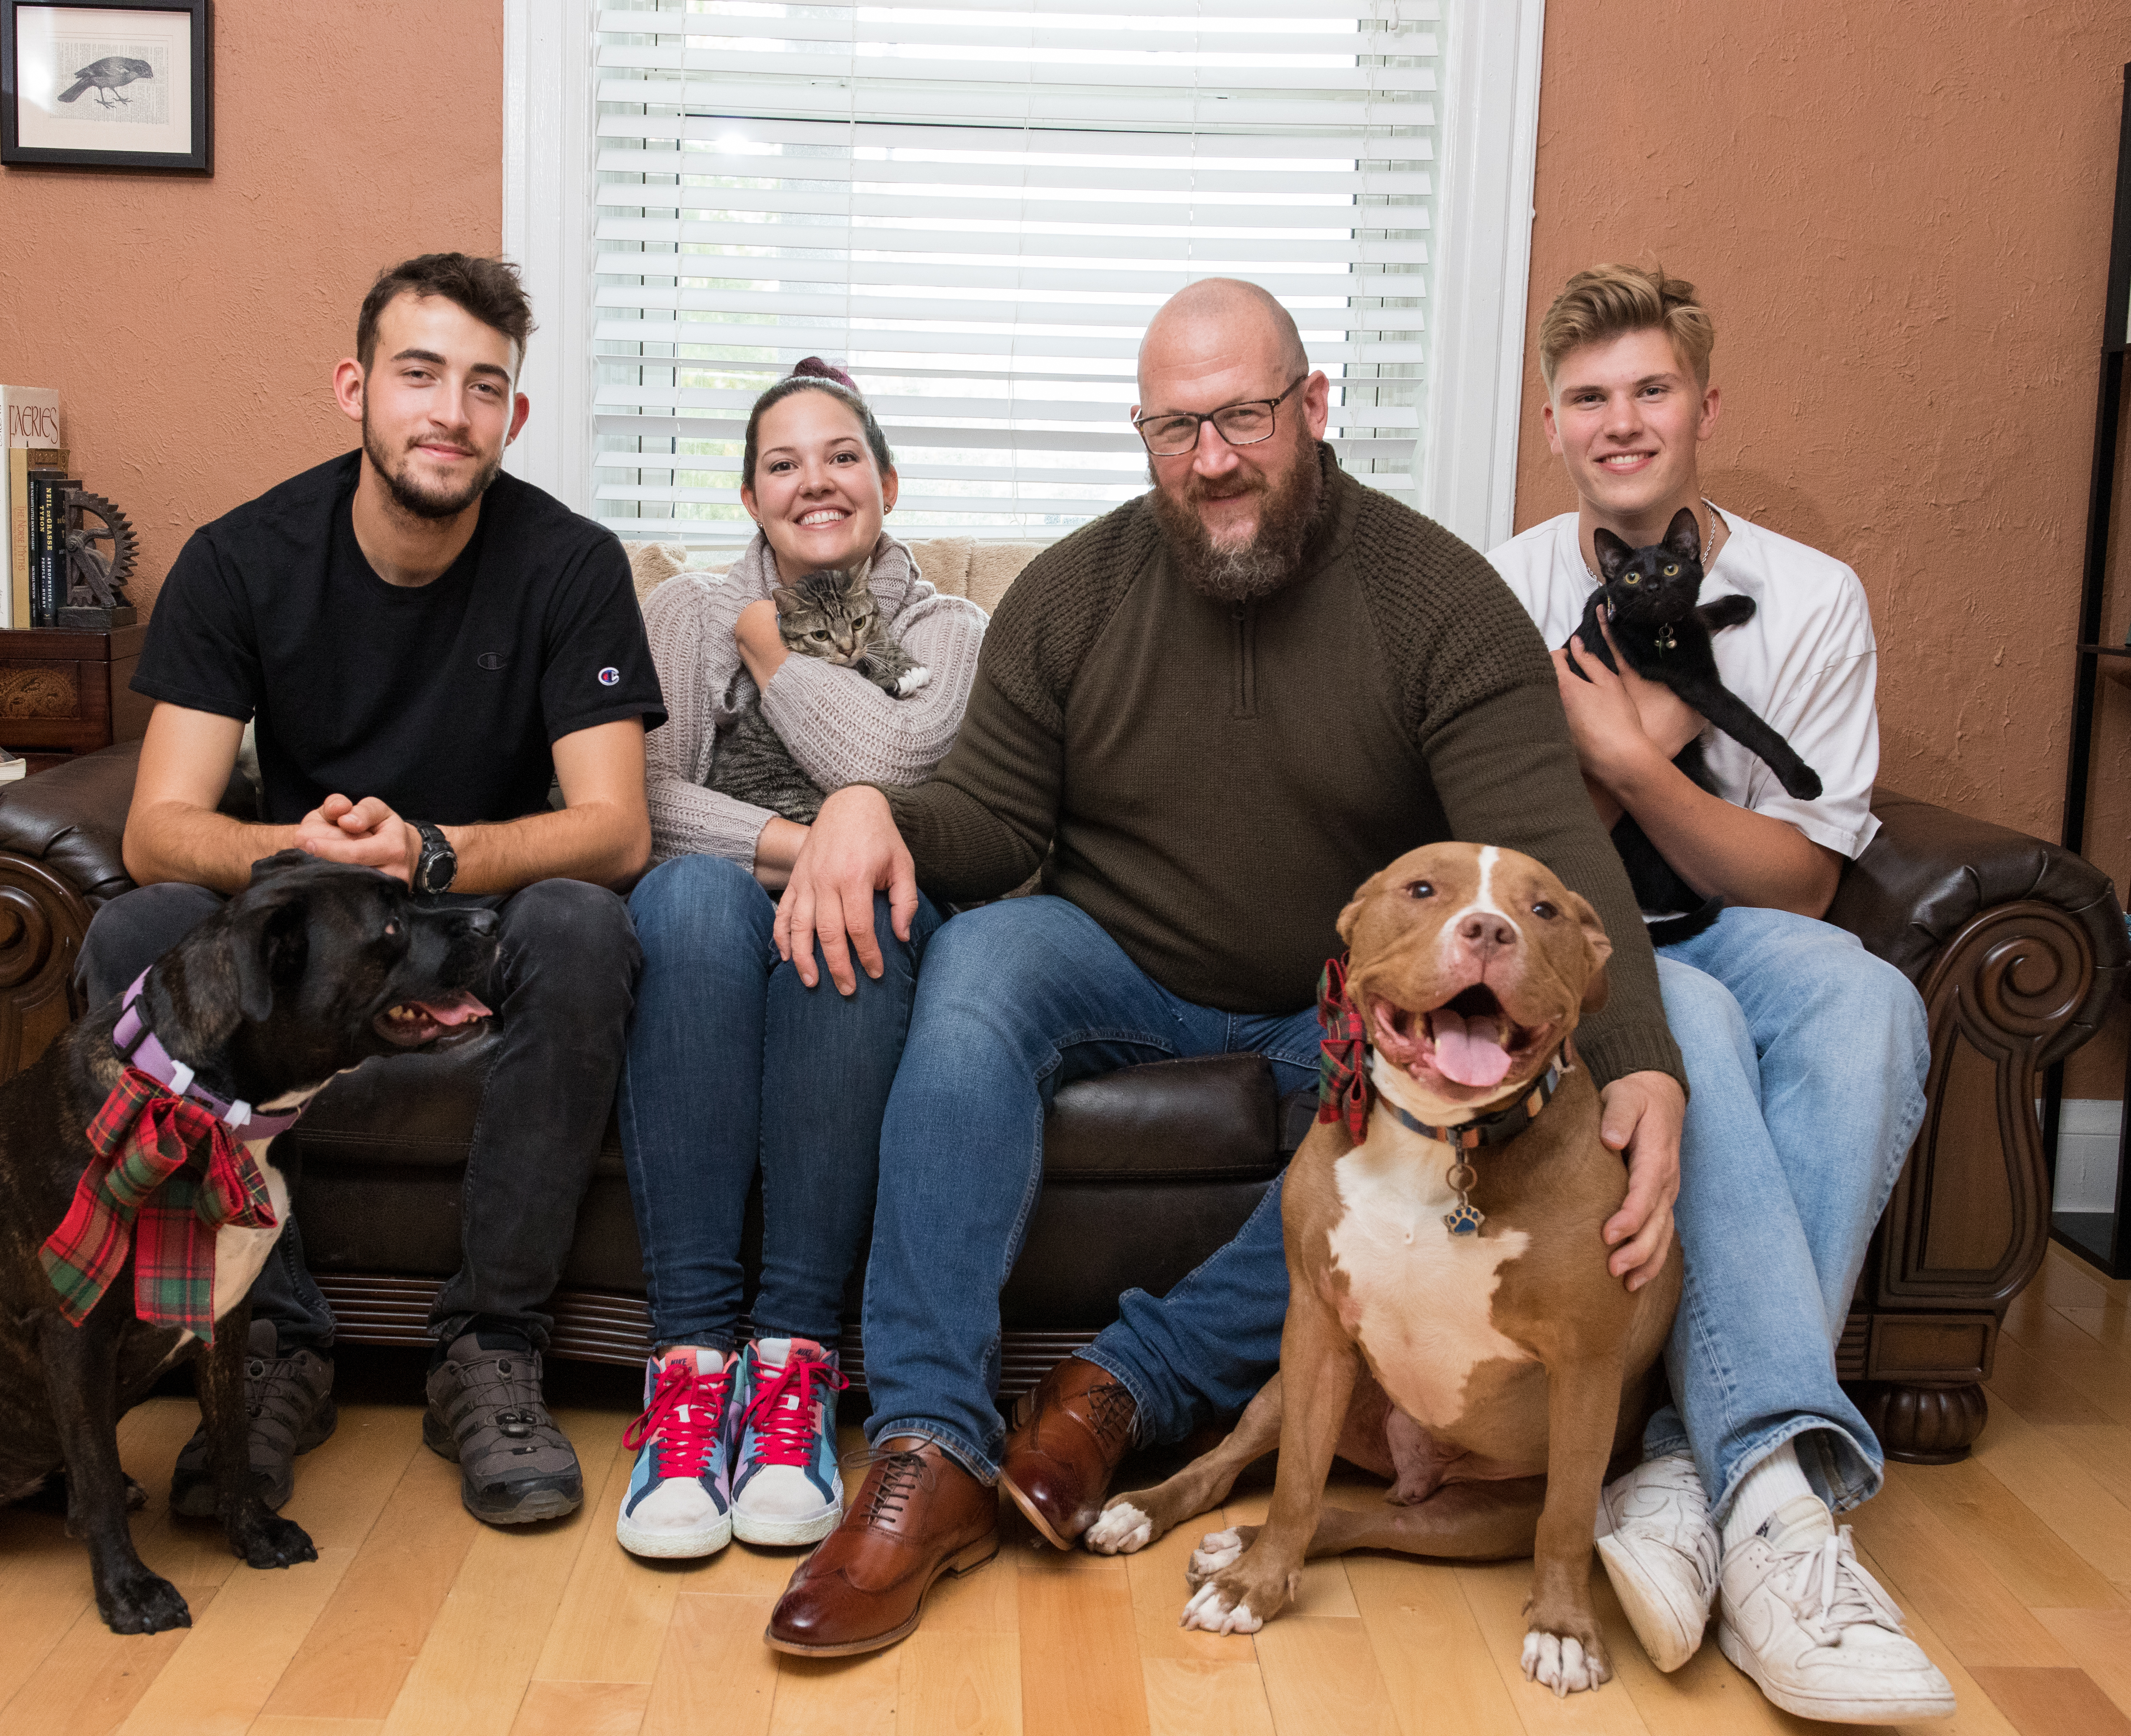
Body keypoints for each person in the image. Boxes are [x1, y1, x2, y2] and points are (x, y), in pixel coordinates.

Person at [757, 277, 1691, 1659]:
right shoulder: (1072, 596)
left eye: (1244, 418)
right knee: (976, 971)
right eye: (1174, 429)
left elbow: (1546, 846)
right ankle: (929, 1446)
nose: (1211, 460)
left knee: (1390, 1158)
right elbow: (1000, 824)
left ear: (1313, 409)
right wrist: (869, 806)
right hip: (1110, 952)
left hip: (1346, 1009)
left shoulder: (1439, 598)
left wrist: (1648, 1067)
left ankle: (1117, 1393)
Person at [75, 252, 665, 1528]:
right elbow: (157, 827)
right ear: (355, 387)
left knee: (583, 922)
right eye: (418, 374)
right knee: (134, 930)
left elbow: (614, 831)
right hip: (309, 915)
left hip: (480, 910)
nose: (450, 410)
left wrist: (430, 853)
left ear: (515, 414)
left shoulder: (569, 564)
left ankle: (489, 1348)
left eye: (485, 385)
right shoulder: (241, 558)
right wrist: (307, 853)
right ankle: (272, 1342)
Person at [1488, 264, 1952, 1723]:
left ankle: (1703, 1471)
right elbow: (1523, 873)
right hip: (1591, 953)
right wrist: (1609, 781)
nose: (1620, 422)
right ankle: (1787, 1507)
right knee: (1682, 1021)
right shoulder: (1507, 594)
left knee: (1866, 1000)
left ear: (1702, 408)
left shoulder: (1811, 599)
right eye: (1588, 399)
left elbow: (1801, 884)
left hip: (1747, 916)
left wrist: (1633, 755)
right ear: (1551, 423)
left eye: (1650, 390)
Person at [614, 359, 986, 1559]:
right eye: (783, 464)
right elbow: (647, 806)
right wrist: (797, 843)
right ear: (750, 496)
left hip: (868, 918)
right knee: (686, 903)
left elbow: (904, 774)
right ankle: (689, 1365)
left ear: (885, 481)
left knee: (863, 908)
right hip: (721, 908)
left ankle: (792, 1374)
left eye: (840, 458)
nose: (814, 482)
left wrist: (774, 659)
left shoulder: (953, 628)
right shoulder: (678, 613)